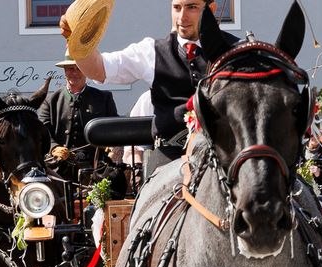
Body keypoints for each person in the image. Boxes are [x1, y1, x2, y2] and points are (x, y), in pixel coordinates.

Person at [62, 0, 237, 175]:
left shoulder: (238, 51)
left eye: (192, 7)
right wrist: (77, 41)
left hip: (228, 156)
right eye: (176, 8)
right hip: (169, 161)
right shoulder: (151, 52)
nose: (182, 17)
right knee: (156, 200)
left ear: (211, 9)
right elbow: (98, 69)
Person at [39, 56, 119, 169]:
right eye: (70, 68)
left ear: (86, 71)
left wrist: (110, 145)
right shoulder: (50, 101)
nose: (74, 73)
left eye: (79, 68)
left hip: (95, 165)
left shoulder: (104, 98)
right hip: (58, 166)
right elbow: (43, 130)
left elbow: (114, 127)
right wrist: (54, 148)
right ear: (65, 71)